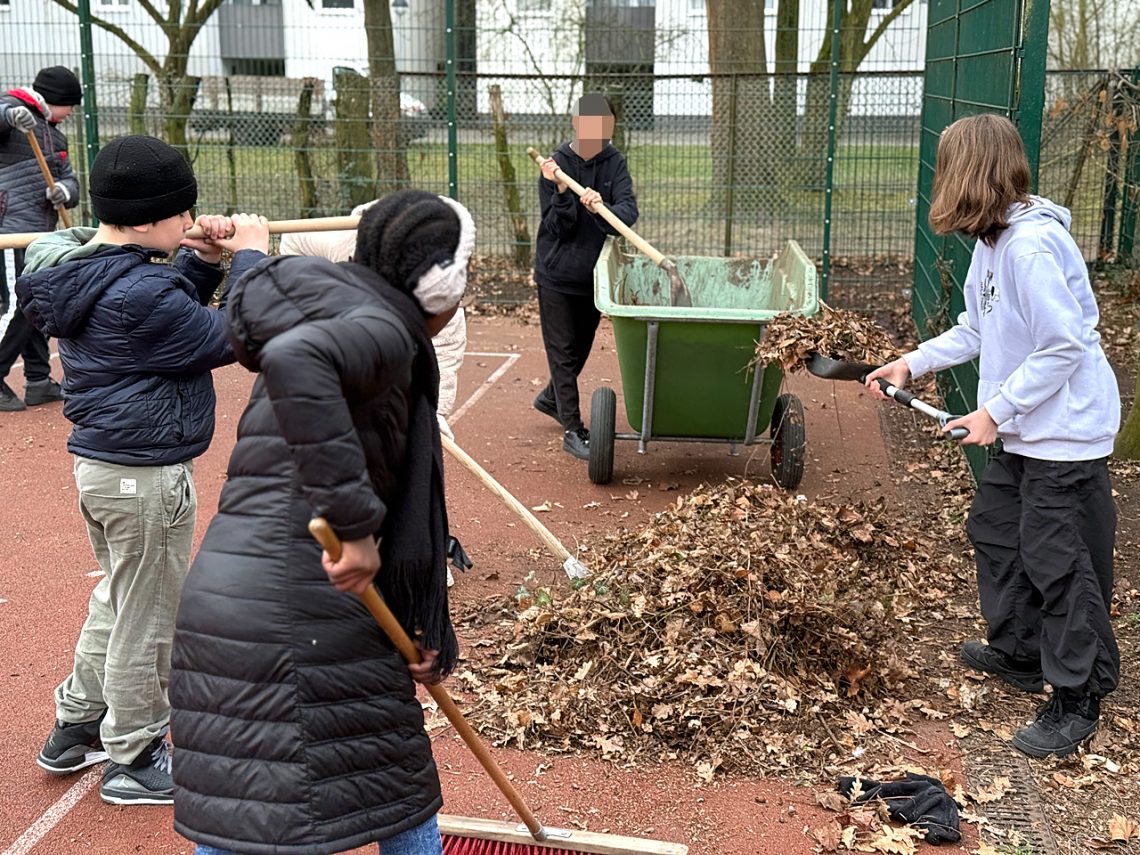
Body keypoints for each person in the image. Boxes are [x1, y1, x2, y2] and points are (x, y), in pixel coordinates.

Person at [169, 189, 475, 855]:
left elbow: (272, 321)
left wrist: (248, 255)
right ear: (441, 288)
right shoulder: (384, 330)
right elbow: (297, 360)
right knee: (396, 791)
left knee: (246, 799)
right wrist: (355, 526)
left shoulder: (333, 302)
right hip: (302, 603)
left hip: (231, 597)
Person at [15, 134, 270, 803]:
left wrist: (203, 262)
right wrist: (250, 259)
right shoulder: (139, 293)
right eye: (181, 214)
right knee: (150, 616)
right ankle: (134, 752)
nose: (188, 222)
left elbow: (166, 309)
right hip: (143, 478)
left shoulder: (95, 269)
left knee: (121, 598)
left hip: (108, 469)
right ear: (148, 219)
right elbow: (234, 334)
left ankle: (78, 723)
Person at [866, 114, 1120, 759]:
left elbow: (1063, 345)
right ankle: (1021, 651)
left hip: (1063, 436)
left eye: (946, 167)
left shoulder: (1030, 248)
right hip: (1027, 429)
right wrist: (912, 362)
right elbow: (977, 329)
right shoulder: (993, 241)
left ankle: (1078, 698)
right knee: (997, 531)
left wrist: (996, 412)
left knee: (1061, 562)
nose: (939, 180)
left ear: (970, 173)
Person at [279, 201, 473, 587]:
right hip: (340, 320)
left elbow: (443, 363)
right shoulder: (334, 243)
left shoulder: (444, 305)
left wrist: (433, 416)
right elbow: (289, 247)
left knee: (413, 444)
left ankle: (419, 550)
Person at [533, 92, 638, 460]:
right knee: (562, 352)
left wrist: (601, 208)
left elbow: (627, 214)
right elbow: (557, 228)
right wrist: (562, 192)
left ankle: (552, 398)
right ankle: (572, 428)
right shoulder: (555, 166)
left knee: (580, 346)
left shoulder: (614, 163)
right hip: (556, 273)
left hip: (594, 275)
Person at [0, 66, 83, 411]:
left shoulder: (55, 136)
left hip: (40, 232)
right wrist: (8, 118)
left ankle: (38, 380)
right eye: (70, 105)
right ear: (55, 99)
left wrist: (65, 190)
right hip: (9, 231)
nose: (72, 112)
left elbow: (70, 179)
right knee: (17, 306)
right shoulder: (11, 107)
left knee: (35, 305)